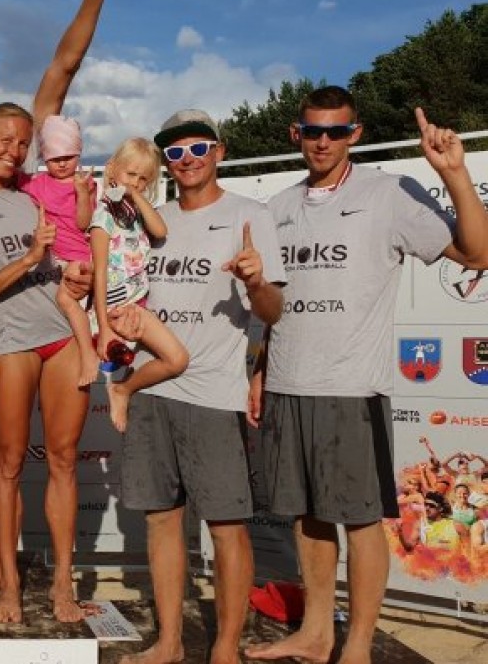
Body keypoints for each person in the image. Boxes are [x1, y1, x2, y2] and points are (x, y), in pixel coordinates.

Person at [247, 89, 488, 664]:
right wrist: (260, 368)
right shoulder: (277, 207)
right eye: (313, 131)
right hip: (287, 384)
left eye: (336, 131)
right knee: (307, 518)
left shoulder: (388, 193)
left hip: (353, 388)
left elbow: (478, 255)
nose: (323, 142)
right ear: (296, 134)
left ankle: (356, 646)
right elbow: (275, 302)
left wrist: (453, 174)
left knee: (359, 522)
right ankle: (316, 634)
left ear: (355, 134)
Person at [115, 109, 285, 664]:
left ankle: (226, 648)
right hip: (152, 389)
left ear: (220, 152)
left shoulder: (251, 215)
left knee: (228, 528)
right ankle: (169, 642)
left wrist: (256, 282)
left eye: (198, 148)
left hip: (214, 396)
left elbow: (273, 312)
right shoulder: (149, 218)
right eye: (175, 151)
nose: (186, 159)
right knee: (162, 521)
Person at [0, 102, 96, 624]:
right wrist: (27, 259)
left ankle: (62, 582)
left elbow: (72, 243)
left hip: (61, 333)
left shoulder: (35, 193)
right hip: (9, 343)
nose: (14, 150)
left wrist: (77, 278)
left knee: (64, 460)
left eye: (24, 142)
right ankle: (7, 584)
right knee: (8, 463)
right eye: (5, 139)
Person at [89, 138, 188, 432]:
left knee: (174, 360)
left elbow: (160, 229)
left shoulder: (136, 214)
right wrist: (104, 327)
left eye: (144, 179)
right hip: (118, 310)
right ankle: (122, 389)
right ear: (112, 169)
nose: (136, 182)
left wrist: (135, 195)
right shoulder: (103, 214)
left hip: (138, 305)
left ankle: (123, 387)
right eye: (130, 174)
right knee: (177, 359)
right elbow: (99, 272)